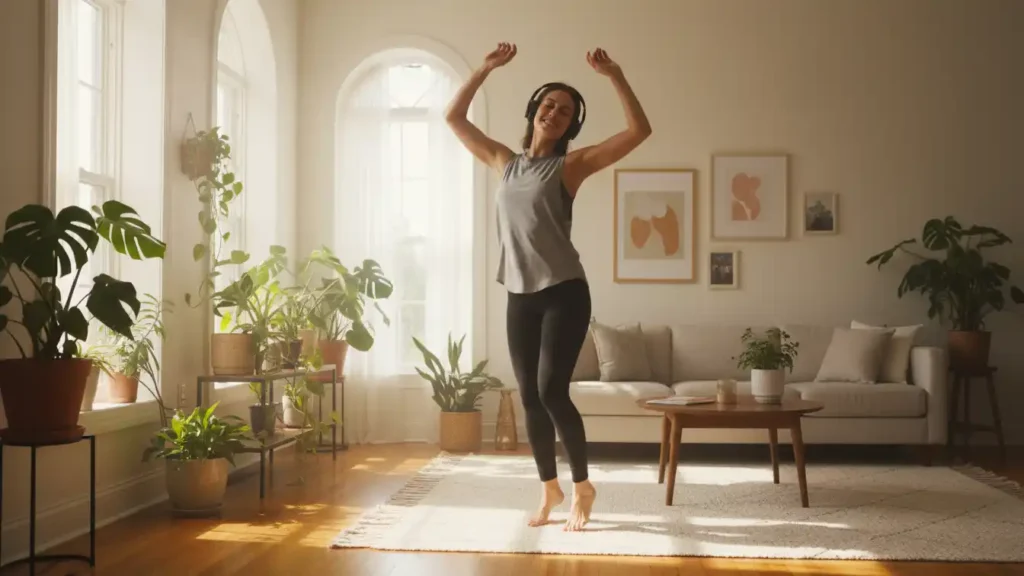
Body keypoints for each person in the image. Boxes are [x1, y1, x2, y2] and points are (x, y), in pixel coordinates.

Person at [444, 42, 651, 531]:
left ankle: (582, 485)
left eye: (566, 111)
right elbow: (454, 117)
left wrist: (616, 75)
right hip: (520, 293)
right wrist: (485, 68)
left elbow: (639, 131)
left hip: (564, 291)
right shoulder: (505, 162)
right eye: (549, 105)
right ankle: (549, 489)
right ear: (534, 111)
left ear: (572, 125)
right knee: (530, 397)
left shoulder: (570, 167)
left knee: (553, 391)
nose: (554, 113)